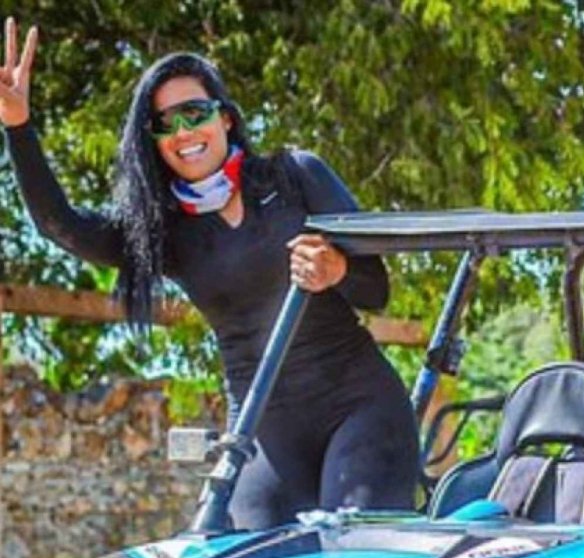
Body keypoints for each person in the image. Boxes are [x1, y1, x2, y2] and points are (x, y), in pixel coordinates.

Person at [0, 21, 417, 530]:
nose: (183, 133)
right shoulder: (165, 232)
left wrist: (337, 270)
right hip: (264, 427)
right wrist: (17, 125)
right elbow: (59, 225)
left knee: (347, 553)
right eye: (164, 124)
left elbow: (377, 290)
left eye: (194, 114)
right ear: (154, 143)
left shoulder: (295, 176)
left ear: (224, 118)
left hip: (361, 408)